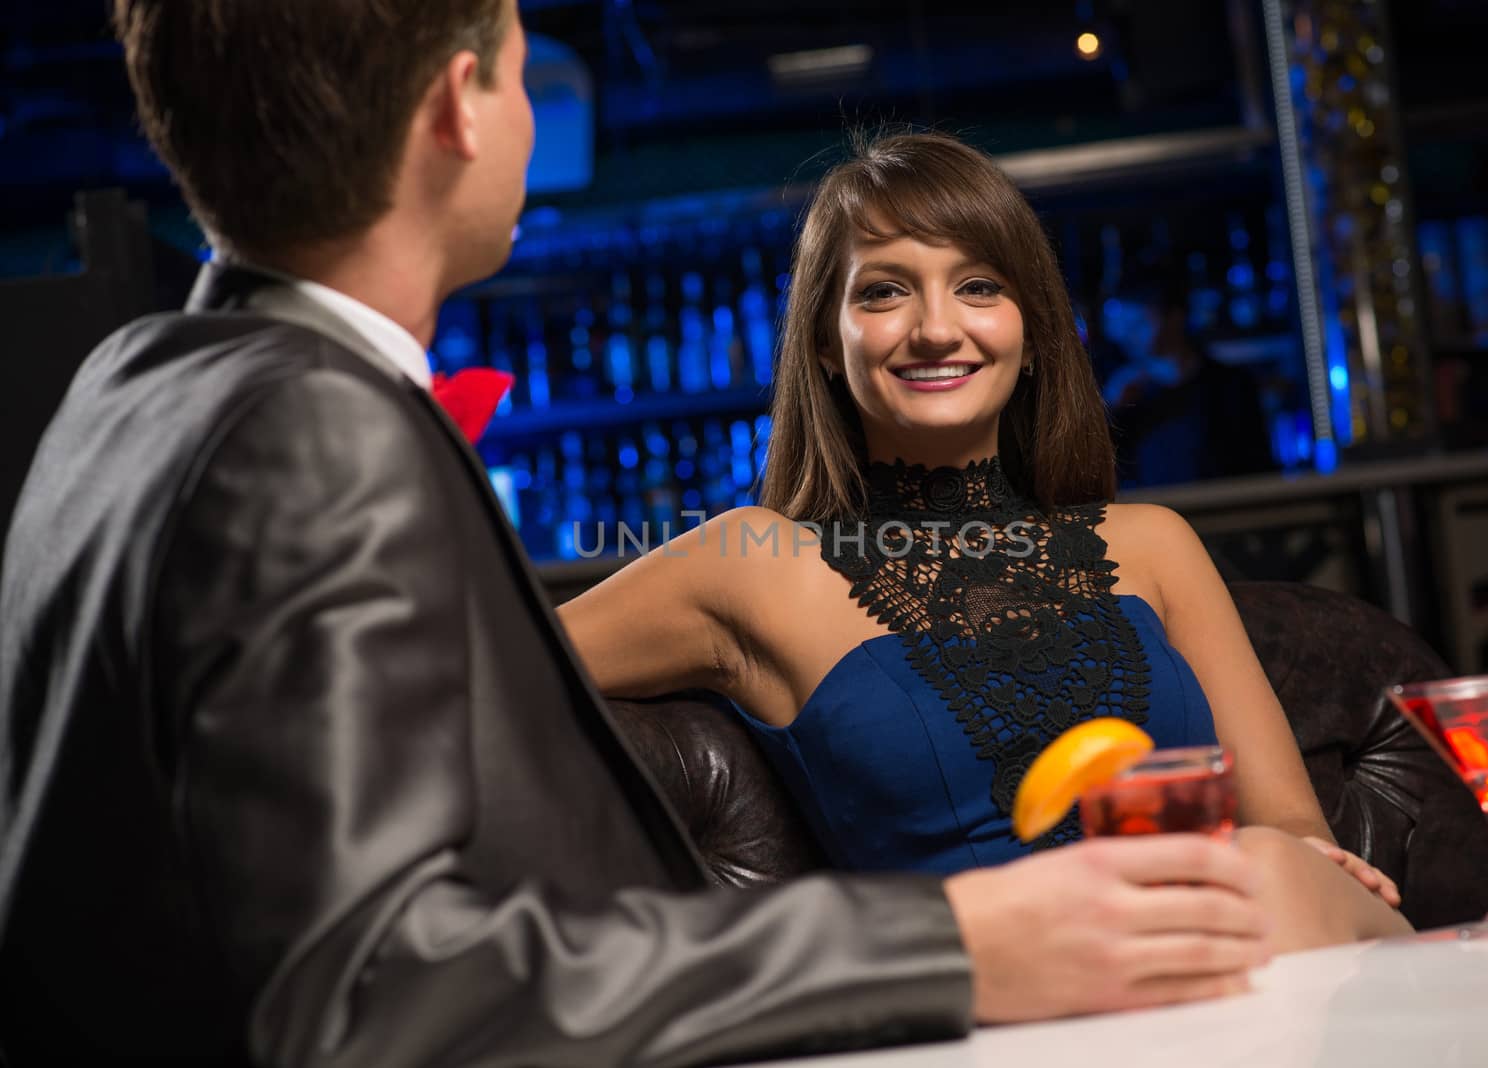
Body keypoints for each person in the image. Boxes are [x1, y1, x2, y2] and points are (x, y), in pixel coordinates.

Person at [0, 5, 1273, 1065]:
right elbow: (372, 988)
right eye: (523, 59)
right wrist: (955, 943)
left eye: (979, 286)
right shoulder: (313, 429)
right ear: (460, 105)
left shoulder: (124, 390)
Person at [561, 131, 1413, 953]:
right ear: (825, 341)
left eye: (978, 287)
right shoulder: (750, 566)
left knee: (1267, 864)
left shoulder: (1152, 545)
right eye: (883, 293)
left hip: (1250, 965)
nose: (936, 328)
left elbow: (1290, 826)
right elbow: (484, 665)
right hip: (1007, 1011)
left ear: (1035, 332)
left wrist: (1314, 868)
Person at [1098, 262, 1277, 487]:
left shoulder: (1230, 386)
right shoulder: (1125, 394)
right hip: (1154, 518)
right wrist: (1111, 413)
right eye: (1125, 325)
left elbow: (1259, 471)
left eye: (1140, 323)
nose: (1129, 335)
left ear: (1175, 316)